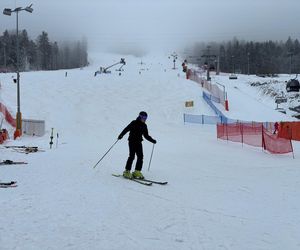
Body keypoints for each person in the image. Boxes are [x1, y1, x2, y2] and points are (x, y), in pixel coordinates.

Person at [118, 111, 156, 179]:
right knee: (132, 156)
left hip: (139, 142)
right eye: (143, 117)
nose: (145, 119)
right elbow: (126, 129)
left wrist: (152, 140)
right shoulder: (134, 122)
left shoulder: (144, 125)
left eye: (146, 118)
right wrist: (121, 135)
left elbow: (146, 135)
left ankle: (137, 171)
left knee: (140, 156)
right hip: (132, 141)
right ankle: (127, 171)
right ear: (140, 117)